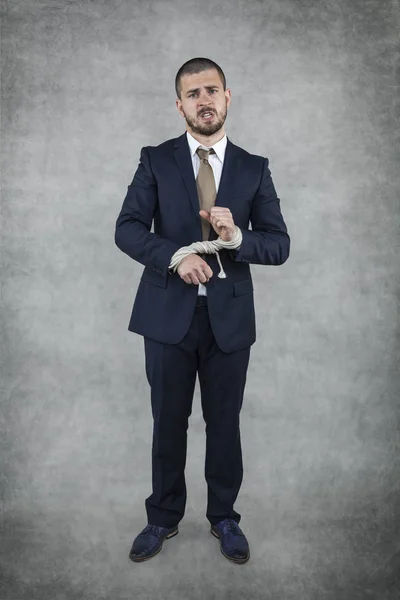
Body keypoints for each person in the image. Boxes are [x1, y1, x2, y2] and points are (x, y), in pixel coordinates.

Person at [114, 57, 290, 564]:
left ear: (228, 97)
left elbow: (279, 245)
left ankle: (224, 518)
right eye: (193, 94)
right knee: (168, 420)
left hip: (229, 320)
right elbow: (127, 228)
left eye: (212, 90)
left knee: (225, 422)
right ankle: (162, 518)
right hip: (167, 316)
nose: (204, 100)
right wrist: (176, 255)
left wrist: (237, 239)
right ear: (180, 105)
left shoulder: (255, 167)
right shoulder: (155, 159)